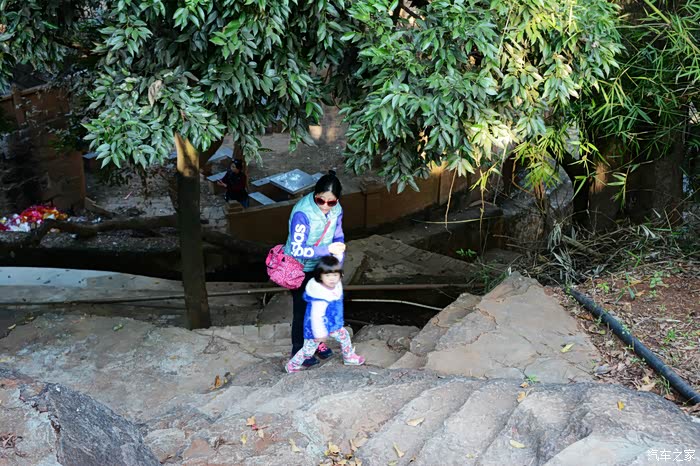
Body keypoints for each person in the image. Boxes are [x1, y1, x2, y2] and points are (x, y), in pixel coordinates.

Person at [284, 170, 346, 367]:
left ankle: (316, 344)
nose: (326, 206)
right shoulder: (302, 213)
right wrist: (327, 250)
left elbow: (338, 235)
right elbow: (297, 249)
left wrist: (337, 262)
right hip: (300, 268)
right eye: (321, 200)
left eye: (331, 202)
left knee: (321, 307)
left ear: (337, 200)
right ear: (315, 195)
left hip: (321, 266)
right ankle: (298, 351)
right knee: (302, 311)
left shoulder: (337, 210)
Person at [285, 255, 364, 372]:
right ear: (320, 276)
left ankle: (349, 357)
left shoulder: (334, 284)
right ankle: (292, 365)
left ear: (340, 275)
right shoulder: (320, 295)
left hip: (332, 323)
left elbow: (337, 263)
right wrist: (319, 333)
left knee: (345, 336)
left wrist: (338, 254)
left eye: (335, 275)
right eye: (327, 275)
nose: (332, 279)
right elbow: (316, 316)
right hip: (316, 328)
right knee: (308, 350)